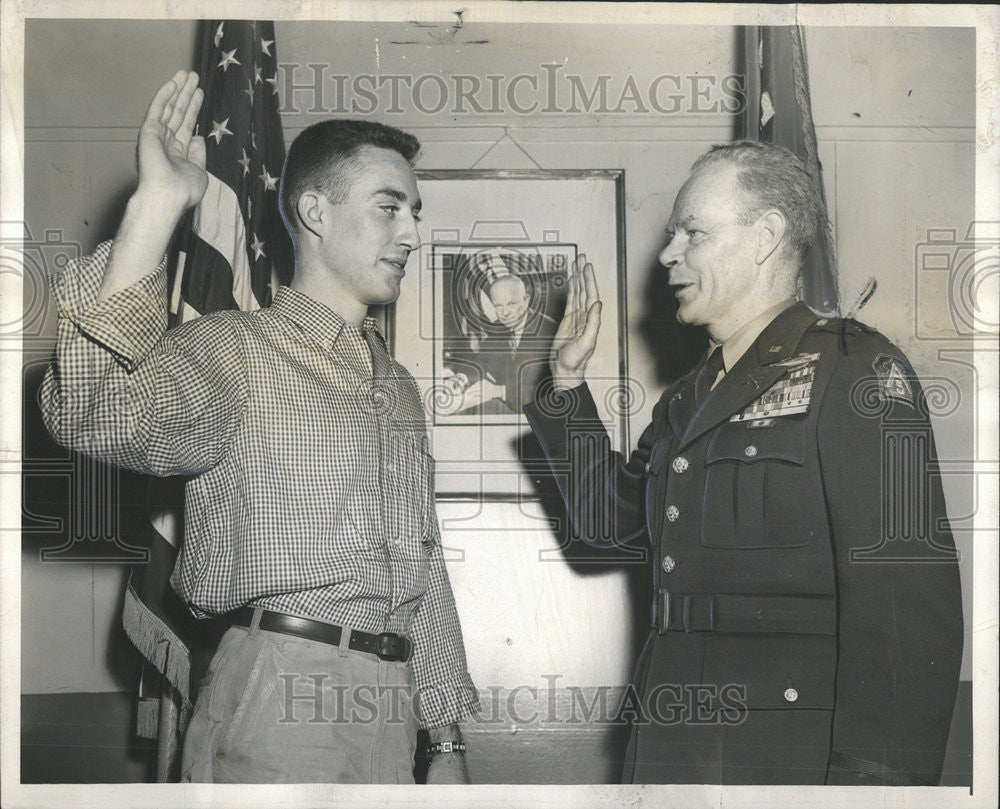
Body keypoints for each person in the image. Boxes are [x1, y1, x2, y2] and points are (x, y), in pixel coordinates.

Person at [41, 71, 478, 784]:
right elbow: (95, 411)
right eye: (390, 207)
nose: (413, 233)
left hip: (394, 716)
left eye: (416, 212)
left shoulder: (396, 386)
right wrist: (158, 205)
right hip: (275, 697)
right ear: (315, 210)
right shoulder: (235, 349)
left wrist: (447, 740)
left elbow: (422, 571)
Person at [524, 141, 963, 785]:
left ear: (765, 236)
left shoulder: (855, 370)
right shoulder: (692, 396)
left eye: (692, 232)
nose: (668, 253)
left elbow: (905, 611)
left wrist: (874, 792)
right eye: (673, 233)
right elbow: (607, 524)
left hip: (786, 754)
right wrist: (565, 385)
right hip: (677, 740)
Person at [442, 267, 559, 415]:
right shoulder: (499, 327)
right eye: (498, 306)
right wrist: (460, 378)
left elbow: (546, 391)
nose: (505, 313)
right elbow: (481, 361)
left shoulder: (549, 331)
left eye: (511, 304)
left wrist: (500, 391)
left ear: (526, 299)